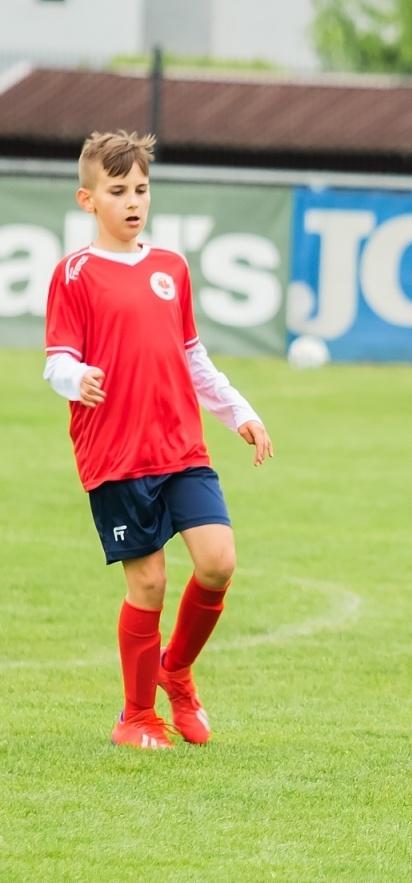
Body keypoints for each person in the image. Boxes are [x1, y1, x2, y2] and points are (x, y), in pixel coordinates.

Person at [43, 130, 273, 749]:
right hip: (116, 453)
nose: (132, 201)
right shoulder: (75, 274)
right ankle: (137, 717)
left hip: (180, 447)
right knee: (148, 584)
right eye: (117, 191)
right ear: (88, 200)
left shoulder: (171, 267)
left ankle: (177, 671)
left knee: (218, 562)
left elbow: (192, 356)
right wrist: (76, 377)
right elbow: (56, 359)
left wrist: (240, 411)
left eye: (141, 189)